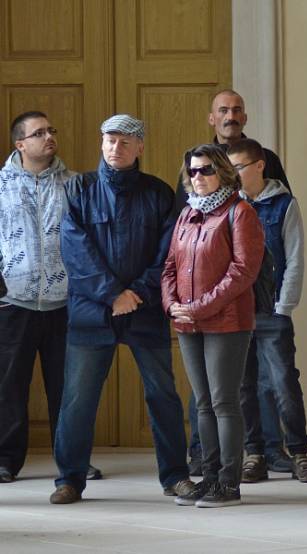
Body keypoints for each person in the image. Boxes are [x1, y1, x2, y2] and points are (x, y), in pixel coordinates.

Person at [49, 114, 193, 504]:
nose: (117, 148)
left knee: (163, 394)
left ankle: (175, 475)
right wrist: (112, 293)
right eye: (111, 140)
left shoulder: (160, 193)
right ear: (101, 143)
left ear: (140, 148)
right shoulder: (80, 188)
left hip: (144, 310)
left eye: (126, 142)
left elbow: (169, 255)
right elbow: (74, 250)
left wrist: (136, 293)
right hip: (91, 310)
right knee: (77, 399)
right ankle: (69, 480)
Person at [180, 89, 292, 477]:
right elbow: (176, 252)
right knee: (207, 393)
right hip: (195, 306)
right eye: (223, 110)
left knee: (259, 381)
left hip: (246, 297)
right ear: (212, 118)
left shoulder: (251, 192)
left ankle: (262, 454)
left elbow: (277, 222)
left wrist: (279, 292)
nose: (231, 115)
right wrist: (175, 300)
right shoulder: (195, 173)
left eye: (237, 109)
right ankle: (203, 458)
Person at [0, 111, 100, 483]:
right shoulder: (0, 185)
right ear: (20, 144)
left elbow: (91, 240)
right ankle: (6, 460)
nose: (48, 136)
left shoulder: (76, 185)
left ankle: (73, 462)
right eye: (38, 132)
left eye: (50, 130)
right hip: (13, 305)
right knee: (9, 388)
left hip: (65, 303)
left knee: (69, 389)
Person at [162, 144, 264, 507]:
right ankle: (208, 477)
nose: (198, 178)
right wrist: (173, 305)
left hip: (227, 322)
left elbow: (242, 272)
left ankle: (229, 483)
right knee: (202, 403)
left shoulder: (240, 212)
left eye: (205, 170)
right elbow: (170, 266)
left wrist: (198, 308)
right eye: (192, 171)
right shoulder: (186, 214)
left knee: (224, 402)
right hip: (189, 322)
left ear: (222, 170)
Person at [227, 139, 307, 484]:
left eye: (238, 167)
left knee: (283, 383)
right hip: (235, 312)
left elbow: (295, 258)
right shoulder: (228, 205)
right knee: (243, 386)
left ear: (259, 165)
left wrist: (284, 306)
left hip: (272, 312)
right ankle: (254, 454)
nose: (233, 174)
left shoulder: (283, 204)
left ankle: (299, 452)